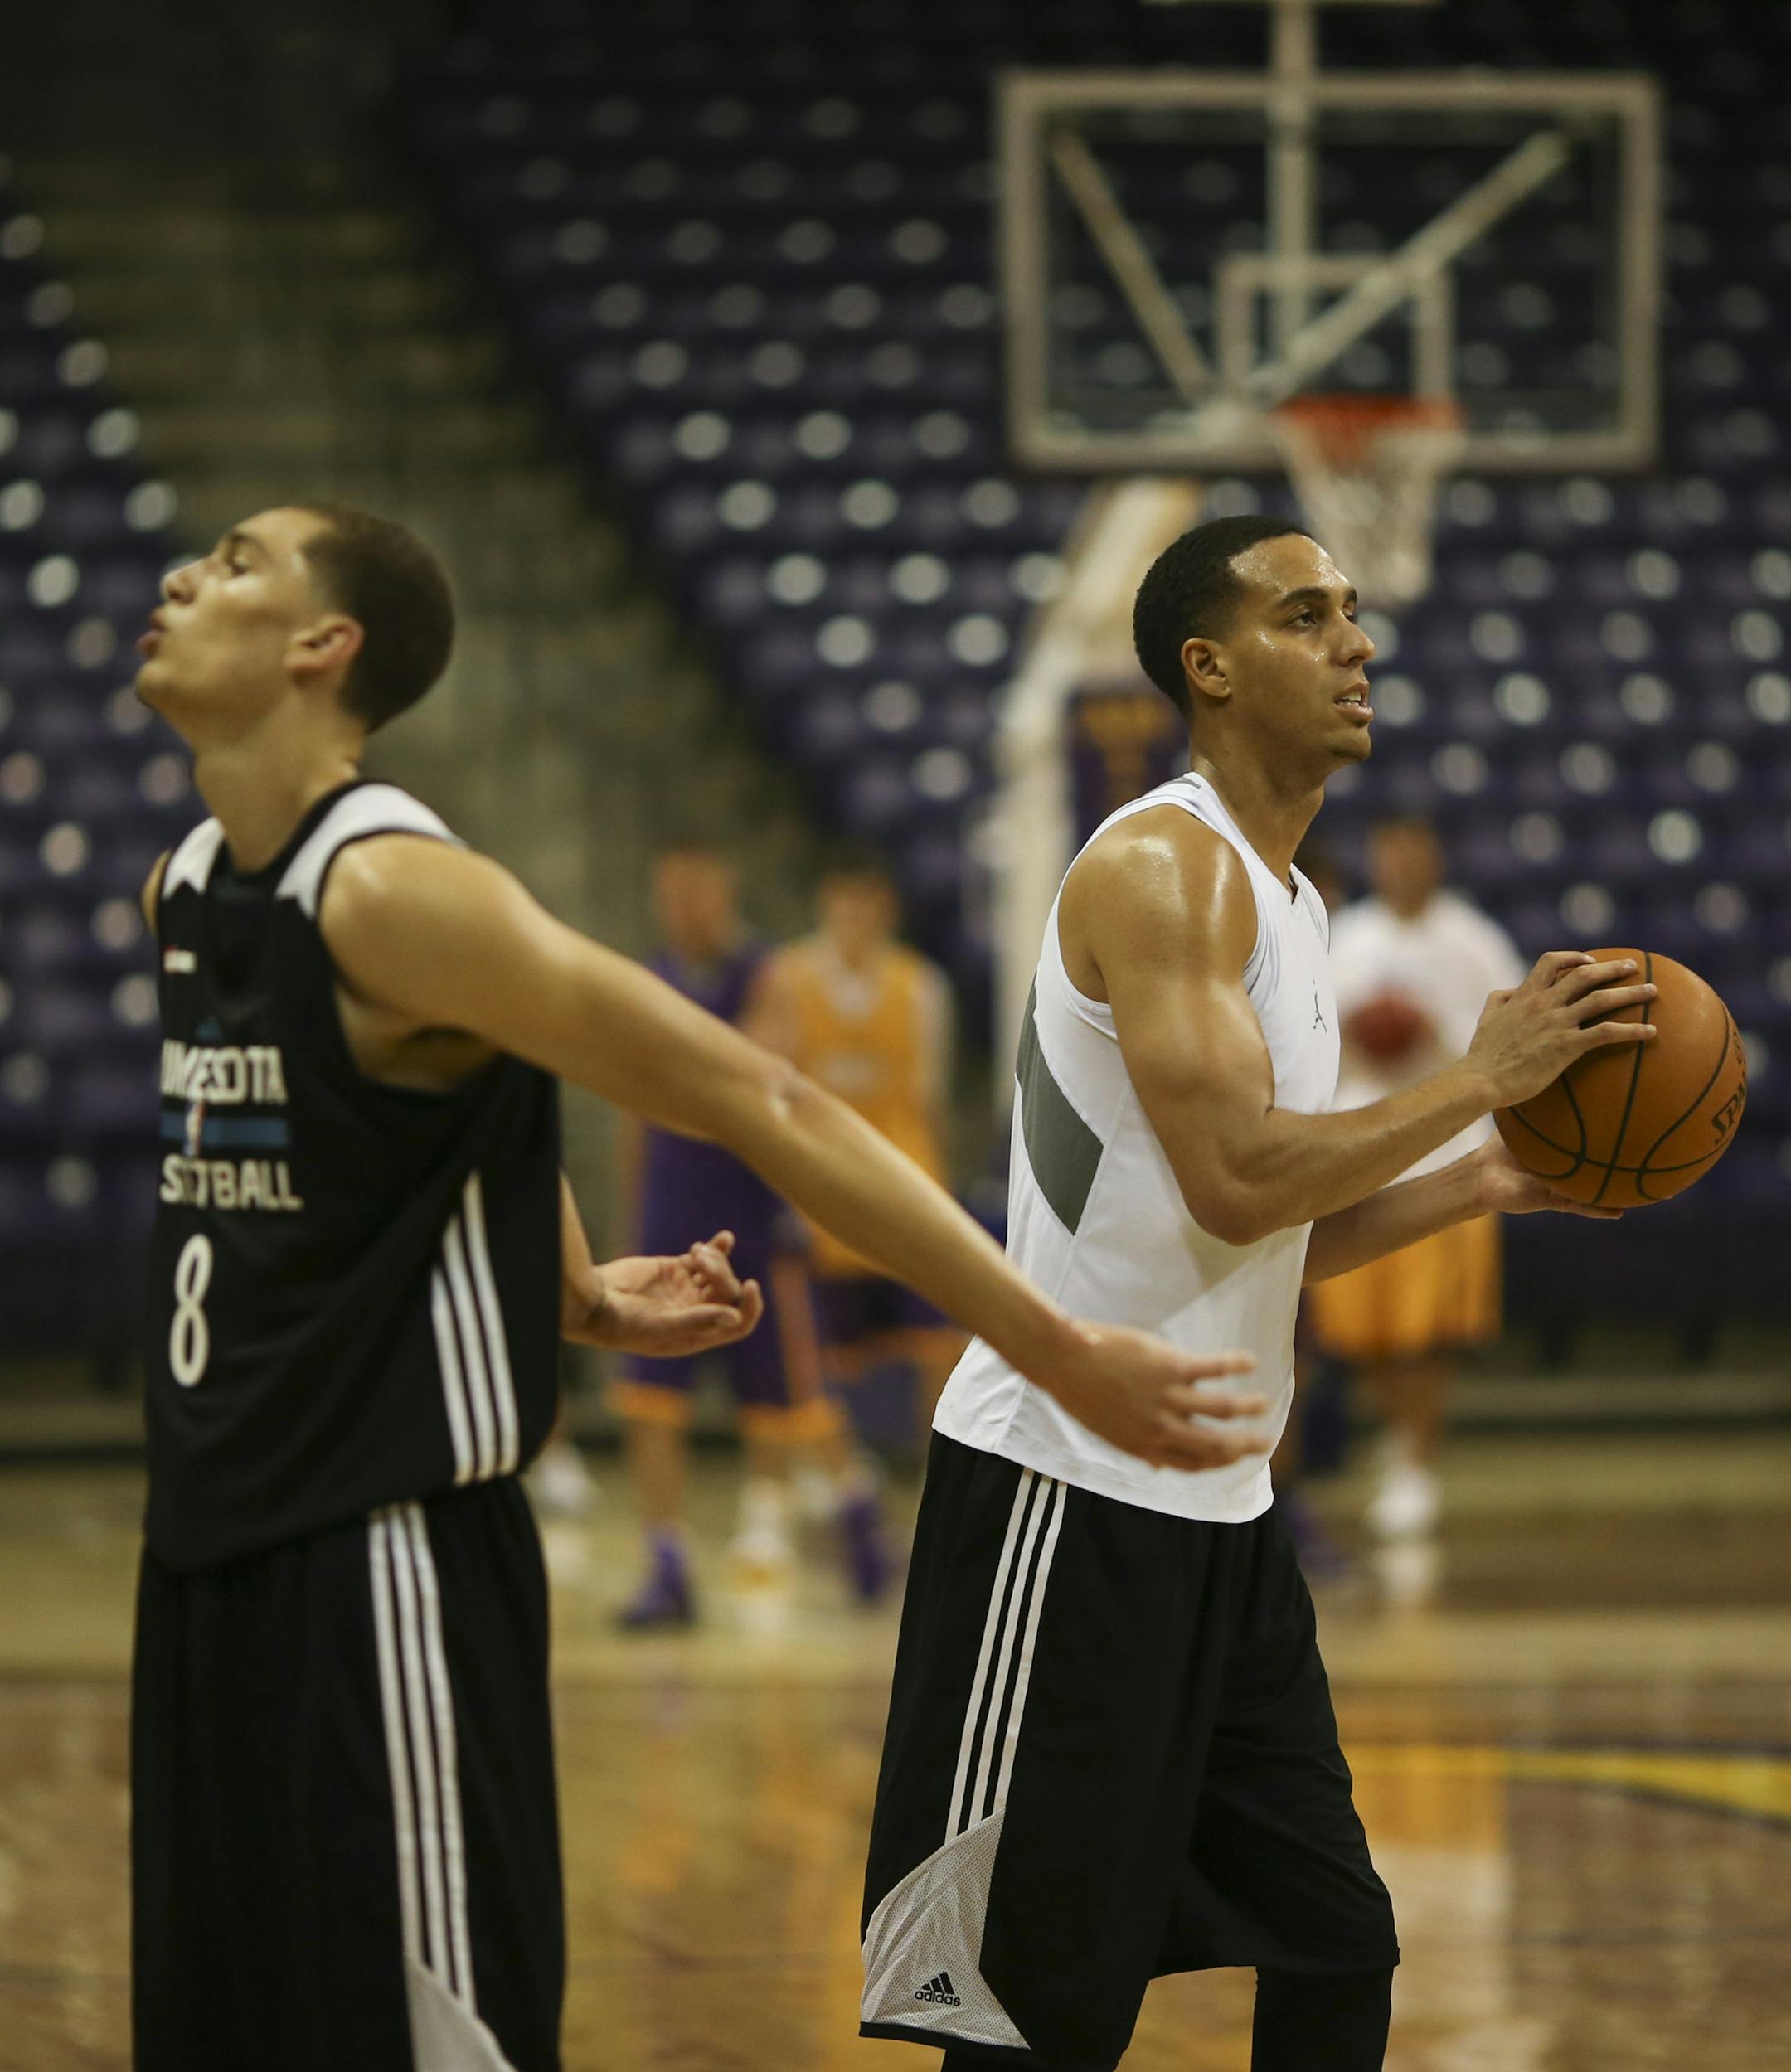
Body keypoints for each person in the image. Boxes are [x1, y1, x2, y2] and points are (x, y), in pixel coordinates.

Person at [127, 502, 1268, 2072]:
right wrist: (583, 1294)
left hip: (371, 1549)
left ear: (327, 649)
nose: (188, 576)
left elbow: (773, 1102)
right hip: (199, 1543)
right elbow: (443, 1121)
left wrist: (1056, 1346)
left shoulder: (392, 888)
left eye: (242, 562)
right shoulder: (185, 885)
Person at [857, 513, 1655, 2072]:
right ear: (1208, 668)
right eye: (1308, 616)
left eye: (1353, 612)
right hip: (1064, 1492)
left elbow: (1258, 1238)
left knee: (1335, 1935)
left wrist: (1480, 1175)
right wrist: (1477, 1075)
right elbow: (1238, 1174)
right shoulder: (1165, 868)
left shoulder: (1293, 904)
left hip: (1221, 1517)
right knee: (1033, 2012)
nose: (1356, 642)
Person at [610, 840, 888, 1625]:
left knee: (794, 1400)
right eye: (673, 892)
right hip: (673, 1202)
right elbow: (637, 1101)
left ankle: (857, 1507)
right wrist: (635, 1211)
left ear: (724, 892)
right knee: (647, 1400)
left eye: (698, 890)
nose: (686, 906)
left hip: (750, 1211)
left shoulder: (767, 976)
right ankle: (667, 1561)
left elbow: (759, 1078)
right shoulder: (651, 977)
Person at [1306, 813, 1528, 1541]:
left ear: (1434, 860)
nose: (1400, 865)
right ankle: (1397, 1443)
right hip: (1358, 1147)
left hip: (1448, 1152)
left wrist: (1432, 1028)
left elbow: (1517, 1041)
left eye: (1413, 853)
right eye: (1388, 852)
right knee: (1365, 1333)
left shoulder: (1476, 940)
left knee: (1425, 1334)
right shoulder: (1344, 935)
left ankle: (1415, 1461)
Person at [754, 847, 967, 1434]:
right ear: (826, 903)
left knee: (936, 1345)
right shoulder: (789, 978)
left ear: (886, 909)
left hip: (905, 1188)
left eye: (865, 902)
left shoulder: (921, 986)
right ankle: (839, 1491)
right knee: (817, 1359)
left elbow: (932, 1102)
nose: (854, 915)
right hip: (823, 1193)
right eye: (843, 901)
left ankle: (938, 1475)